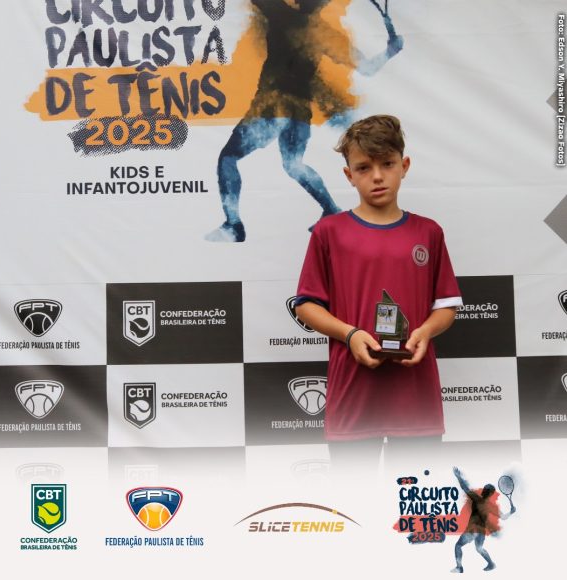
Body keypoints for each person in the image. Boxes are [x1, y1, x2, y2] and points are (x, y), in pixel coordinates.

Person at [294, 115, 462, 472]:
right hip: (352, 394)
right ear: (348, 175)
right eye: (364, 167)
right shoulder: (329, 232)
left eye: (387, 164)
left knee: (415, 503)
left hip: (416, 398)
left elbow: (447, 305)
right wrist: (351, 335)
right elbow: (307, 305)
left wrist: (424, 332)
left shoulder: (429, 232)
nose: (377, 176)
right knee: (353, 502)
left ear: (404, 166)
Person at [206, 0, 404, 242]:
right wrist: (390, 51)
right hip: (299, 113)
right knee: (294, 164)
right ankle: (331, 210)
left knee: (228, 158)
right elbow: (369, 68)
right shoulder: (326, 34)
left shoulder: (280, 12)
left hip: (273, 106)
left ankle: (233, 226)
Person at [451, 467, 516, 573]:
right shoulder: (491, 506)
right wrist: (511, 512)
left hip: (472, 529)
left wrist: (458, 476)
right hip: (481, 532)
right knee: (479, 548)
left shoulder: (477, 498)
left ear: (486, 492)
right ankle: (491, 564)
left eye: (485, 489)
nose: (483, 490)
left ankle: (459, 567)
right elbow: (504, 517)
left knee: (458, 545)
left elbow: (465, 487)